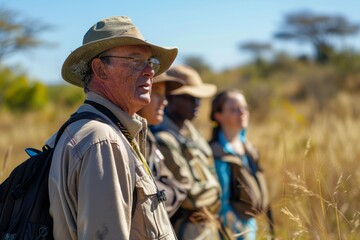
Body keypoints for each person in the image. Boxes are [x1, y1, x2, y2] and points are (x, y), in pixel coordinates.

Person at [46, 16, 178, 239]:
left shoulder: (98, 130)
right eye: (136, 60)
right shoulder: (103, 140)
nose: (149, 71)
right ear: (100, 69)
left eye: (150, 62)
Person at [152, 65, 226, 240]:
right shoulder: (163, 138)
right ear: (170, 98)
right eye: (189, 98)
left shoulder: (190, 131)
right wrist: (214, 194)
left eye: (198, 98)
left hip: (209, 223)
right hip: (189, 227)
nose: (197, 104)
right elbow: (190, 195)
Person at [209, 89, 270, 240]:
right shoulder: (218, 153)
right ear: (218, 116)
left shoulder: (246, 145)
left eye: (244, 108)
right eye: (234, 109)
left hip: (252, 227)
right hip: (235, 232)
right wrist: (241, 234)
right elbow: (222, 204)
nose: (242, 113)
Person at [137, 72, 190, 217]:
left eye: (165, 95)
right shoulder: (126, 140)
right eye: (157, 93)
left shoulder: (148, 138)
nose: (164, 101)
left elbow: (179, 189)